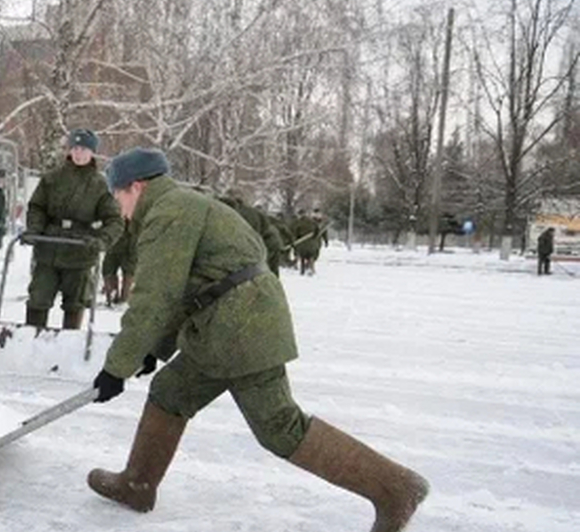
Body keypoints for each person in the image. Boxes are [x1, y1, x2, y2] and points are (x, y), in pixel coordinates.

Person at [87, 147, 429, 530]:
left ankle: (396, 489)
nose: (119, 208)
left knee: (279, 427)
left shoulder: (168, 212)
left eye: (117, 196)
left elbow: (155, 296)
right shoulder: (181, 205)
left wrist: (116, 367)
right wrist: (152, 349)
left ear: (136, 186)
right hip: (225, 325)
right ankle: (137, 483)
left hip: (240, 326)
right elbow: (190, 287)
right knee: (171, 391)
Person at [24, 129, 124, 329]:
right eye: (76, 148)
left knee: (75, 303)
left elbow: (114, 220)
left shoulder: (99, 184)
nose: (79, 153)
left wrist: (102, 239)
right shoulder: (52, 178)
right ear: (69, 150)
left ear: (92, 152)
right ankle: (31, 343)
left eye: (84, 149)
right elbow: (37, 207)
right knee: (38, 298)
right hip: (49, 249)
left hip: (80, 251)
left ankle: (69, 348)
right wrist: (35, 229)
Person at [217, 193, 285, 277]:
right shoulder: (252, 212)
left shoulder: (238, 214)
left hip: (266, 242)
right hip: (270, 240)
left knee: (260, 271)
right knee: (269, 271)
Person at [101, 229, 136, 305]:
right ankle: (112, 296)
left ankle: (125, 298)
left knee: (129, 272)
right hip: (113, 245)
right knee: (108, 270)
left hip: (129, 246)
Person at [291, 209, 324, 276]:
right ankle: (311, 269)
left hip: (302, 243)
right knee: (311, 256)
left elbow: (295, 233)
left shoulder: (298, 223)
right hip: (311, 243)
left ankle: (302, 270)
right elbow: (317, 231)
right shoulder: (312, 222)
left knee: (303, 257)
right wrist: (314, 238)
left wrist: (294, 241)